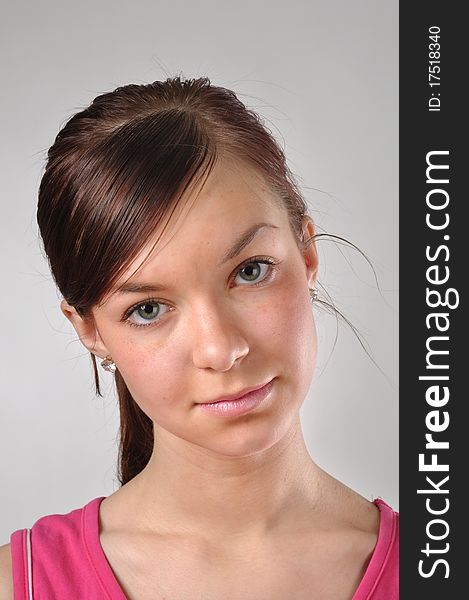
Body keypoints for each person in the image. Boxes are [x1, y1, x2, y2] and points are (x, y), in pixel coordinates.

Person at [0, 75, 398, 599]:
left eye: (251, 271)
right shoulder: (20, 584)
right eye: (148, 309)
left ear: (306, 254)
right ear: (90, 331)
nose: (221, 349)